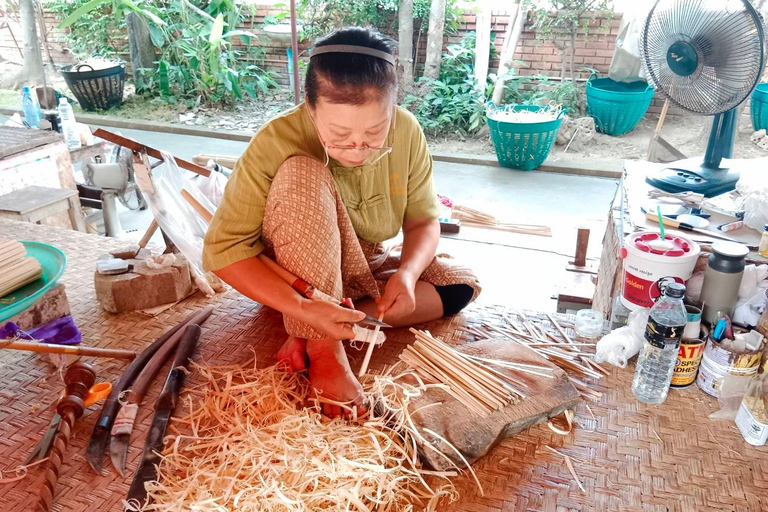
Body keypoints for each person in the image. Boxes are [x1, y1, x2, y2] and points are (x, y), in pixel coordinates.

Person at [203, 26, 481, 419]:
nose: (358, 148)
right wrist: (303, 304)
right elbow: (225, 252)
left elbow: (422, 220)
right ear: (310, 107)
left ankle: (313, 324)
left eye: (374, 132)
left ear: (392, 107)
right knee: (303, 173)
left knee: (460, 286)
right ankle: (325, 352)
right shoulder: (277, 139)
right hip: (294, 274)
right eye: (339, 133)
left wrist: (406, 273)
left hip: (361, 264)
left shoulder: (407, 130)